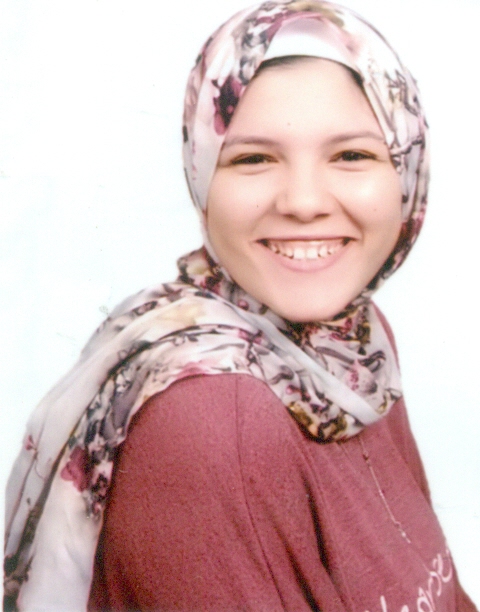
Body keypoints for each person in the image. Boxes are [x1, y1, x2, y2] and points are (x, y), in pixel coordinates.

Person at [4, 1, 477, 610]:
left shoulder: (355, 344)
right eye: (254, 159)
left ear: (407, 172)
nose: (303, 202)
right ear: (204, 177)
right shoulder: (212, 423)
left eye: (351, 155)